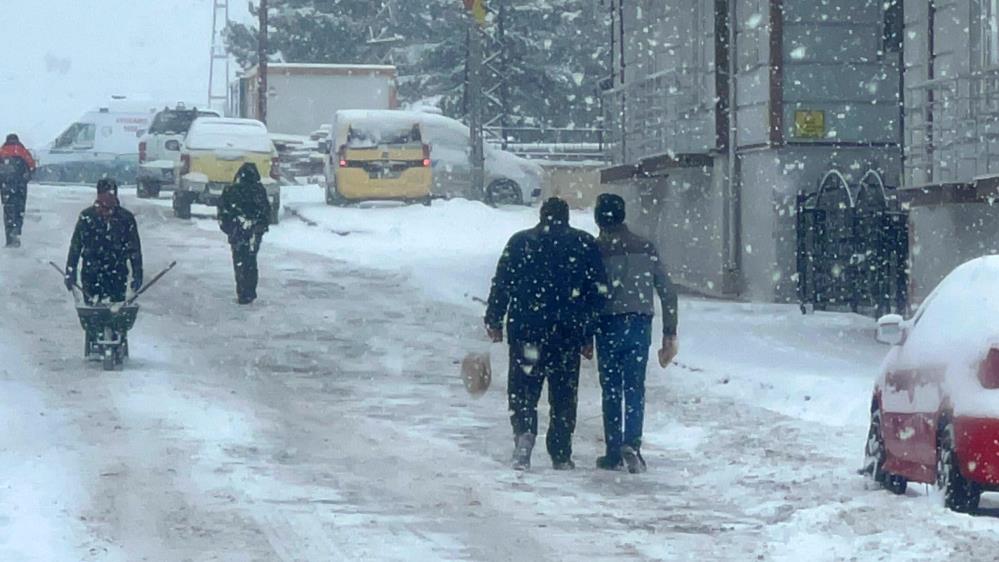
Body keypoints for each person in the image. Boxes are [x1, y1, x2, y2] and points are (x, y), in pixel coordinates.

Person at [486, 197, 607, 471]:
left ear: (542, 216)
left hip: (526, 328)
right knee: (564, 393)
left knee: (523, 388)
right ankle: (561, 451)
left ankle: (524, 434)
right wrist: (588, 334)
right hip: (567, 332)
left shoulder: (520, 243)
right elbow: (597, 292)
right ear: (567, 218)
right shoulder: (584, 244)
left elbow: (502, 283)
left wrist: (494, 318)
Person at [593, 193, 678, 474]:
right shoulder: (645, 246)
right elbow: (667, 290)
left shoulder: (595, 250)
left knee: (611, 388)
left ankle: (613, 449)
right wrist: (670, 331)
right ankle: (633, 442)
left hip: (607, 324)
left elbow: (587, 293)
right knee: (635, 387)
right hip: (639, 323)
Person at [65, 179, 144, 304]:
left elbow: (134, 249)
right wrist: (70, 270)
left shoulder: (125, 218)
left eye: (112, 195)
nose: (109, 198)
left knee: (115, 313)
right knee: (94, 312)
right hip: (91, 275)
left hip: (117, 275)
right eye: (106, 194)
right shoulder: (87, 217)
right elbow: (76, 246)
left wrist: (137, 272)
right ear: (99, 195)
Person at [218, 163, 271, 305]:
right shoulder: (259, 190)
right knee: (251, 260)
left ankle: (243, 291)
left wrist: (230, 228)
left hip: (238, 232)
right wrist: (259, 227)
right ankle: (249, 290)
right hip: (253, 231)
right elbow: (266, 212)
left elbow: (223, 213)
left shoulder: (231, 190)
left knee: (239, 260)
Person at [0, 133, 37, 247]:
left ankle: (9, 236)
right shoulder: (22, 151)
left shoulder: (2, 151)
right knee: (19, 209)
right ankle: (16, 232)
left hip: (6, 186)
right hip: (20, 186)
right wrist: (25, 179)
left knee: (8, 210)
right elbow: (32, 166)